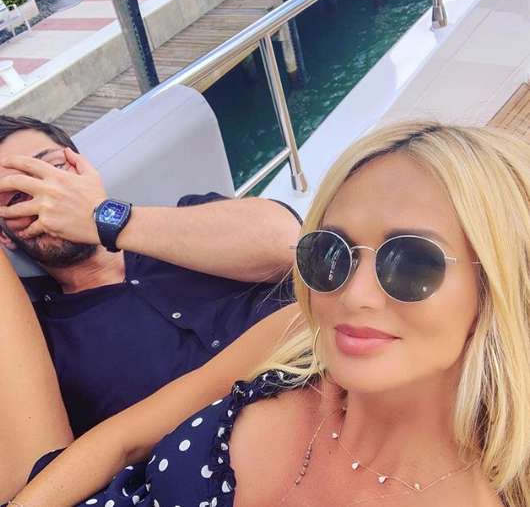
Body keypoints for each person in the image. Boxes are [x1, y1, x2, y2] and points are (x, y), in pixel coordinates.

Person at [6, 121, 529, 507]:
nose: (354, 295)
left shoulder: (188, 228)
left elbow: (282, 241)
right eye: (332, 252)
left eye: (411, 263)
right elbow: (121, 439)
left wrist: (103, 218)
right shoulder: (46, 325)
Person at [0, 115, 301, 500]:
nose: (48, 196)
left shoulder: (189, 221)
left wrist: (103, 217)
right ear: (5, 237)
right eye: (18, 197)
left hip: (330, 395)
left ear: (86, 171)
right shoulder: (43, 342)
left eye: (55, 170)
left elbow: (289, 245)